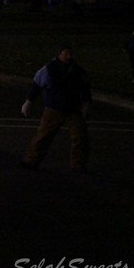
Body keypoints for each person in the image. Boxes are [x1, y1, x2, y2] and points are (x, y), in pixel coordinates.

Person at [20, 42, 92, 173]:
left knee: (80, 136)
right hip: (53, 109)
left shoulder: (78, 70)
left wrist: (86, 105)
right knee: (43, 136)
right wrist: (28, 102)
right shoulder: (48, 69)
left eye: (70, 53)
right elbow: (37, 85)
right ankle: (30, 161)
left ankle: (78, 165)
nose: (69, 56)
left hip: (73, 109)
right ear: (59, 54)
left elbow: (85, 88)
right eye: (66, 53)